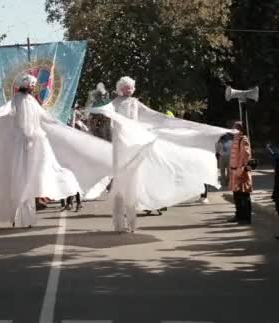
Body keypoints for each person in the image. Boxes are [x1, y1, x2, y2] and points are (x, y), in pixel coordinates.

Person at [0, 74, 112, 227]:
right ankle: (24, 217)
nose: (34, 88)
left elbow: (9, 118)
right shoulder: (26, 102)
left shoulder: (18, 101)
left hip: (22, 145)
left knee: (19, 181)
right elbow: (33, 123)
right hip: (27, 145)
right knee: (26, 181)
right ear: (29, 86)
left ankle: (20, 217)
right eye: (33, 86)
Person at [89, 77, 230, 232]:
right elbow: (101, 110)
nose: (128, 90)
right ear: (120, 88)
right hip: (120, 147)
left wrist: (173, 124)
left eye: (130, 87)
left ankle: (131, 223)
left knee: (131, 187)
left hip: (133, 147)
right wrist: (98, 101)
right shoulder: (114, 104)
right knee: (120, 188)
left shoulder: (135, 103)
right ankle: (118, 224)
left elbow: (154, 116)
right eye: (125, 87)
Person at [228, 121, 253, 224]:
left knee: (244, 196)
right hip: (234, 171)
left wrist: (241, 169)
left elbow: (245, 156)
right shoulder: (235, 139)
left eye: (234, 128)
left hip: (241, 171)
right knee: (236, 195)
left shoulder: (243, 139)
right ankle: (239, 215)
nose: (232, 130)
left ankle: (246, 218)